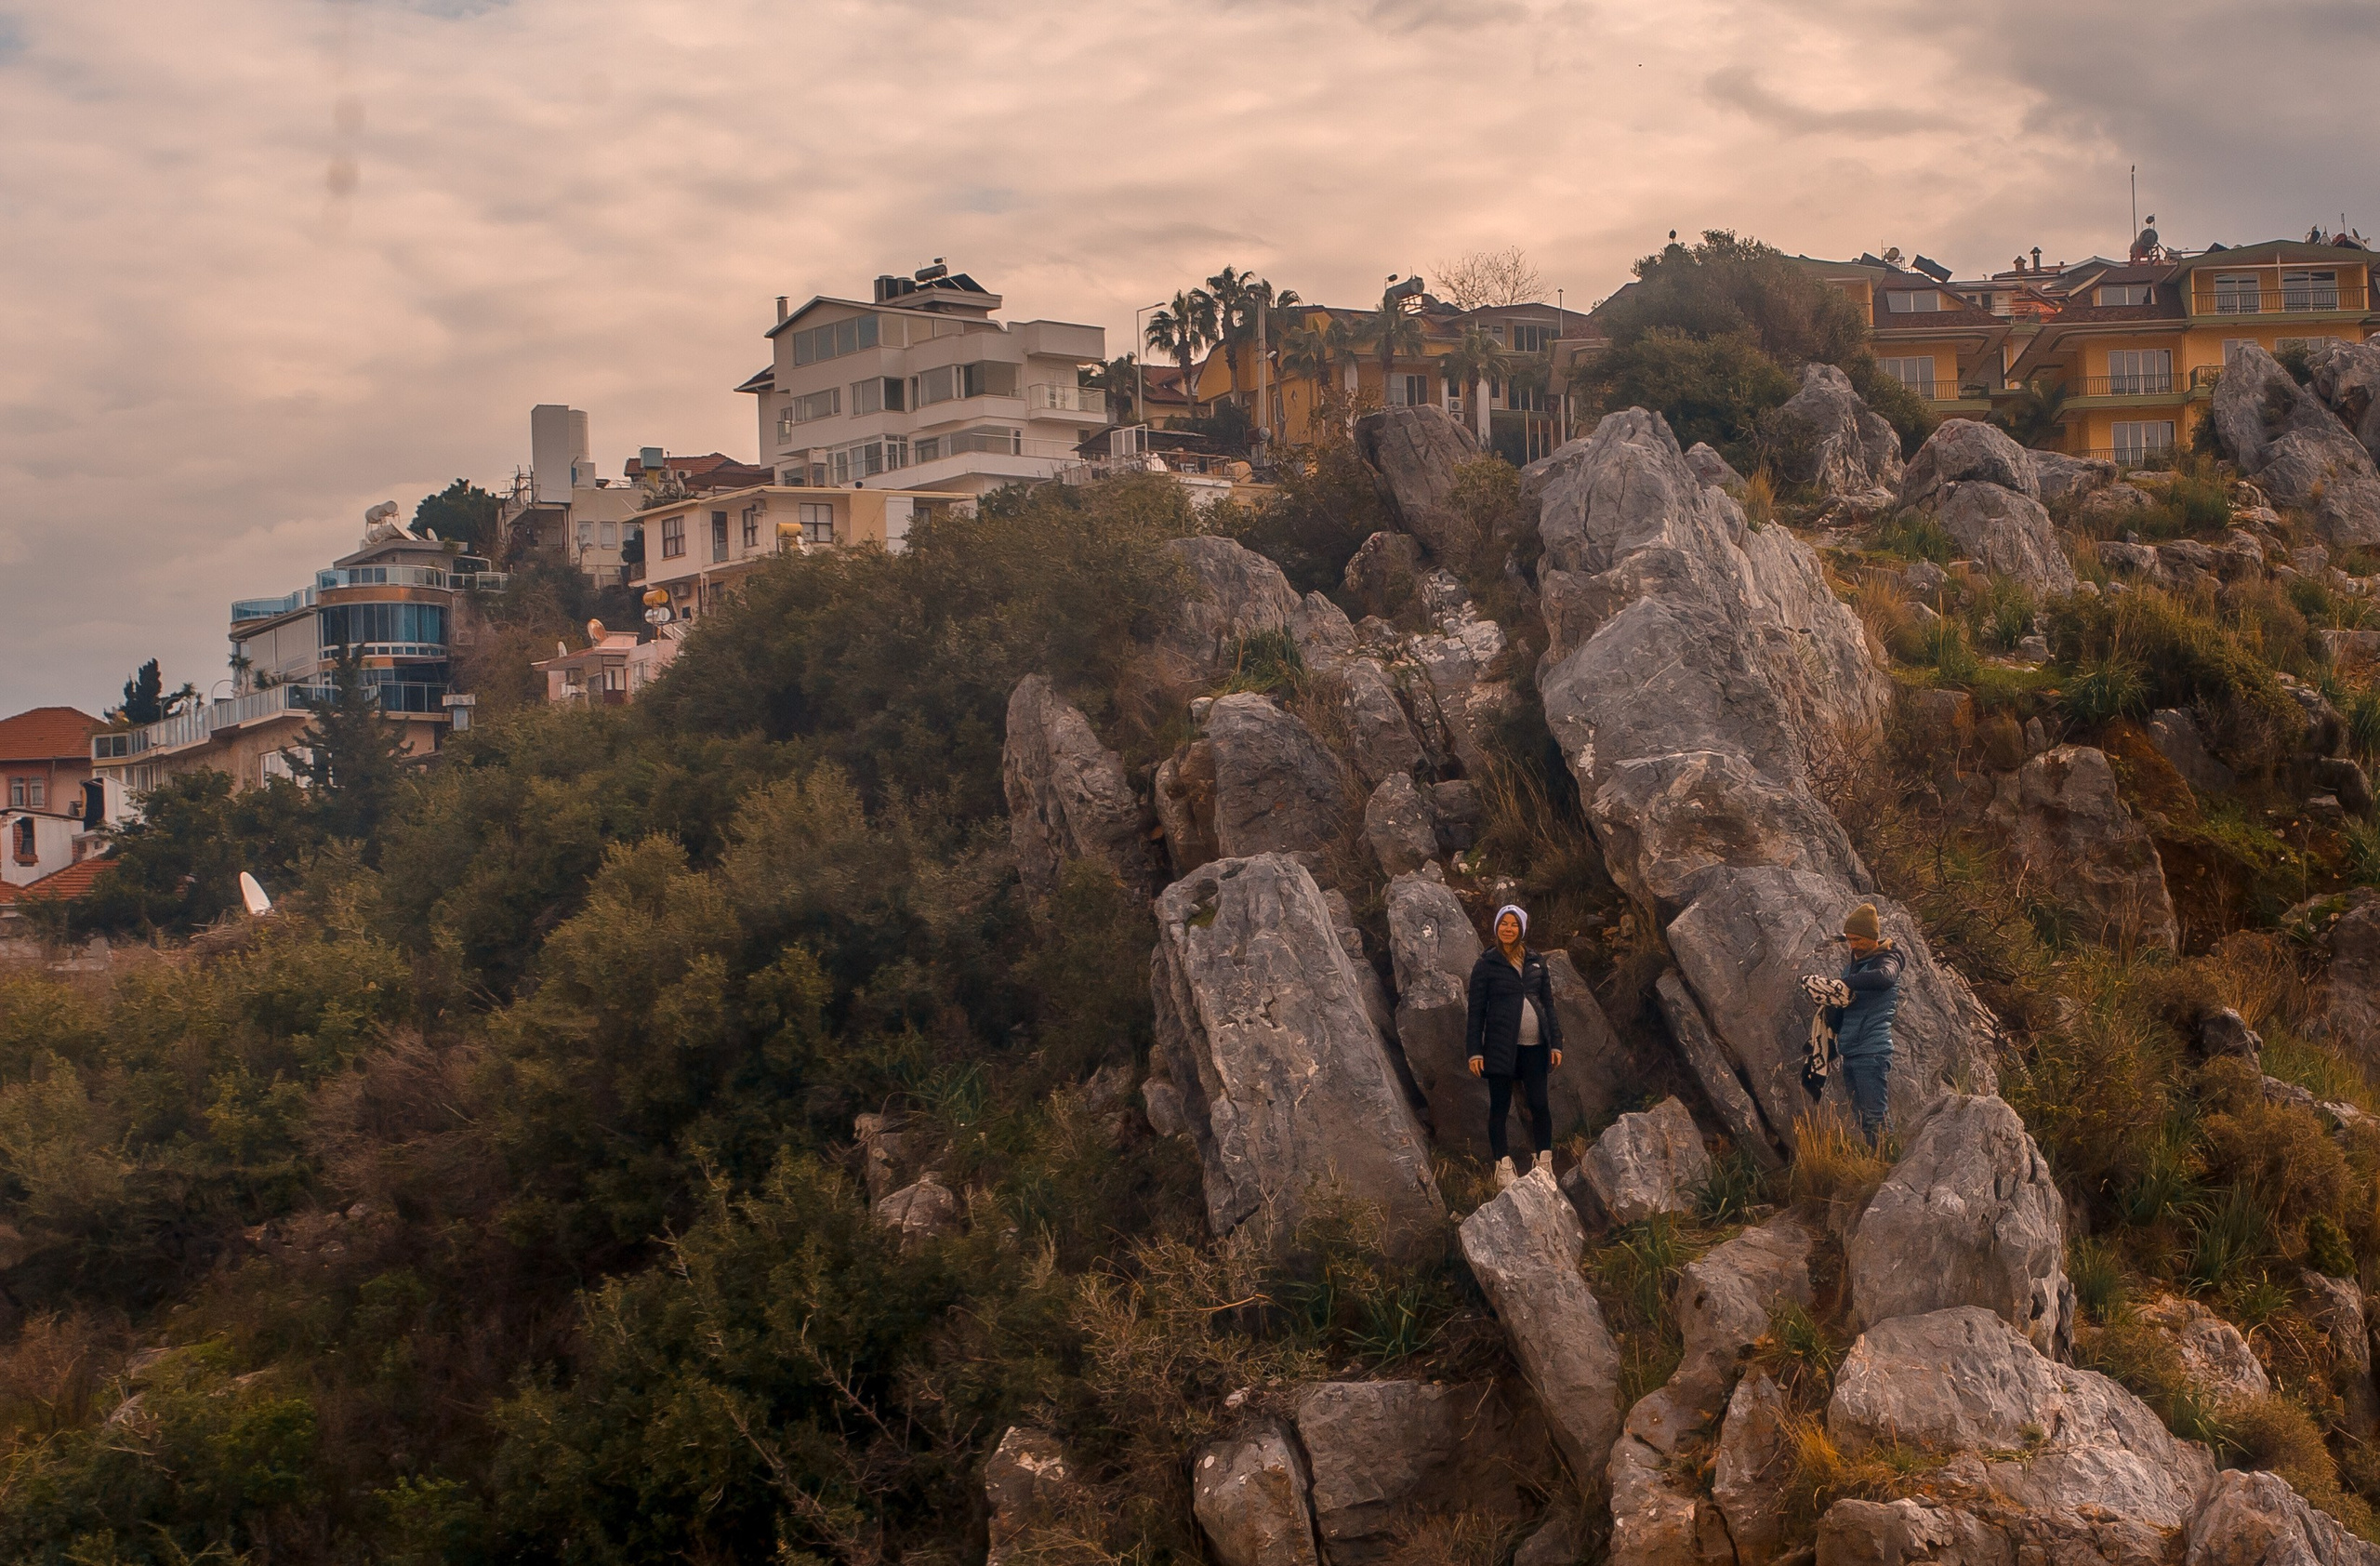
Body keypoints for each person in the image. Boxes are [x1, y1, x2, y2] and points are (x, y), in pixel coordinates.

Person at [1465, 904, 1566, 1189]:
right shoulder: (1486, 964)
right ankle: (1503, 1165)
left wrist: (1555, 1043)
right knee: (1499, 1107)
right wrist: (1474, 1051)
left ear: (1521, 929)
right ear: (1497, 927)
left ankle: (1544, 1162)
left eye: (1514, 925)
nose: (1508, 929)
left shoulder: (1536, 962)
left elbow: (1548, 1004)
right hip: (1499, 1047)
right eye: (1503, 924)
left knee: (1539, 1103)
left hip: (1535, 1047)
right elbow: (1475, 1012)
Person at [1834, 903, 1903, 1146]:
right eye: (1849, 940)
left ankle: (1890, 1164)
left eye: (1858, 939)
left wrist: (1846, 983)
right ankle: (1880, 1163)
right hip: (1851, 1052)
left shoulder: (1888, 960)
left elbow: (1884, 979)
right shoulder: (1854, 965)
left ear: (1872, 937)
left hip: (1872, 1050)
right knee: (1863, 1118)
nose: (1853, 945)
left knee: (1876, 1116)